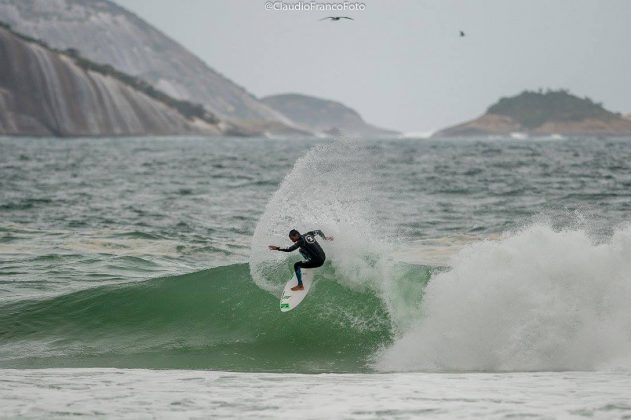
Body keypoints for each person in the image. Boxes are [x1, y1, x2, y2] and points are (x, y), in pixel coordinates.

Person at [268, 229, 333, 291]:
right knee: (301, 250)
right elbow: (319, 231)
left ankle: (300, 285)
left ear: (296, 235)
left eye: (292, 238)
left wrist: (277, 248)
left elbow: (289, 249)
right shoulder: (308, 234)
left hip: (318, 262)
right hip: (323, 256)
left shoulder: (301, 241)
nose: (292, 241)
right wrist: (325, 238)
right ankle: (309, 261)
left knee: (296, 265)